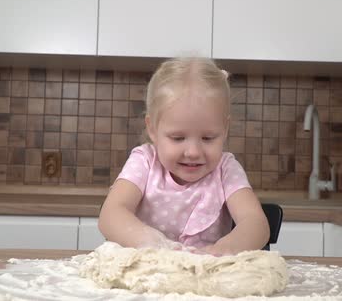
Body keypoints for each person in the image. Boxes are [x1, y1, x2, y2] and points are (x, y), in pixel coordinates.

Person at [98, 57, 270, 256]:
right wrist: (146, 241)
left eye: (208, 138)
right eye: (178, 138)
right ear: (152, 129)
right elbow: (111, 214)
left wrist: (224, 250)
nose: (194, 152)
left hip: (207, 279)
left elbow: (255, 223)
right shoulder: (145, 161)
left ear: (225, 129)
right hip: (147, 276)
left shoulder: (226, 169)